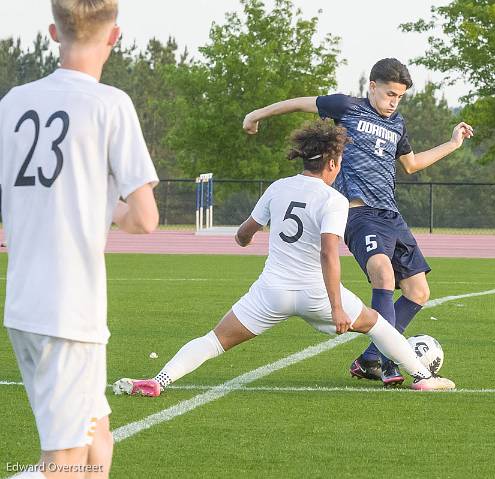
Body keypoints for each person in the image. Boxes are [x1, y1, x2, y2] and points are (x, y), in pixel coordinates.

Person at [113, 120, 455, 398]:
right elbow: (328, 252)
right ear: (333, 163)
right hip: (316, 294)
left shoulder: (278, 188)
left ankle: (158, 381)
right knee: (378, 325)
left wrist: (247, 237)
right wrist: (336, 308)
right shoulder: (333, 199)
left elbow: (243, 233)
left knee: (214, 341)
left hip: (271, 292)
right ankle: (423, 377)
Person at [0, 1, 160, 477]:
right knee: (63, 465)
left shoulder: (12, 103)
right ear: (115, 36)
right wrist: (105, 208)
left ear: (54, 31)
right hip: (69, 309)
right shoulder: (109, 103)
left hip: (26, 305)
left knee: (96, 442)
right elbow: (144, 219)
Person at [242, 58, 473, 386]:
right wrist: (255, 115)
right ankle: (391, 362)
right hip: (358, 213)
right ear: (372, 86)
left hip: (391, 215)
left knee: (419, 291)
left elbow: (411, 164)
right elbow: (298, 104)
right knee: (383, 272)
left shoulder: (398, 124)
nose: (394, 102)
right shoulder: (345, 106)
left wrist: (452, 144)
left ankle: (370, 358)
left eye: (400, 97)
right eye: (390, 93)